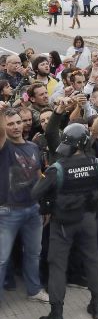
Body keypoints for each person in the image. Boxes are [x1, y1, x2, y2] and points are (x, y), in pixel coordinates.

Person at [32, 124, 98, 319]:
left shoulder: (58, 168)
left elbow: (36, 192)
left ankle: (56, 316)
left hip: (63, 222)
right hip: (89, 218)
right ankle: (97, 307)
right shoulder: (96, 164)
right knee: (93, 258)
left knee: (57, 265)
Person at [0, 104, 49, 306]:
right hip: (7, 211)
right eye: (10, 124)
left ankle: (34, 289)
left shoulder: (33, 147)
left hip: (33, 210)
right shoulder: (3, 146)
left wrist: (44, 205)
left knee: (33, 253)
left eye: (18, 122)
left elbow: (39, 177)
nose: (16, 127)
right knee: (2, 259)